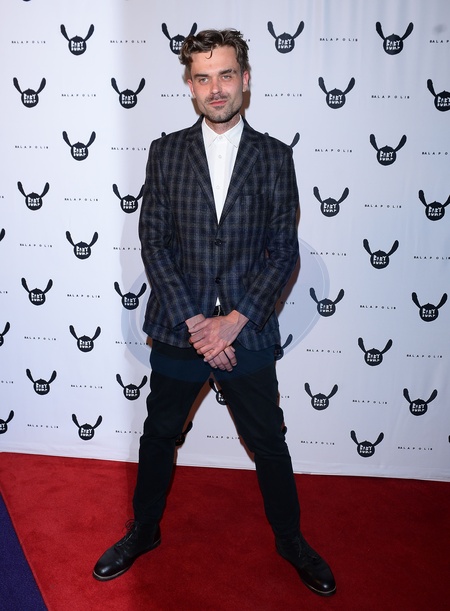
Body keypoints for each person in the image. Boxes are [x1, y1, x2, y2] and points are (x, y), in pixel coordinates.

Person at [93, 28, 336, 597]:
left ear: (245, 79)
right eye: (203, 78)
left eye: (226, 74)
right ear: (190, 85)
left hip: (247, 332)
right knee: (159, 435)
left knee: (268, 441)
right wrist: (198, 325)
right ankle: (144, 530)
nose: (216, 88)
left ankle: (290, 540)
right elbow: (154, 244)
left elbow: (283, 250)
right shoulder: (166, 152)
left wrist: (234, 321)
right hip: (180, 329)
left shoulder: (274, 156)